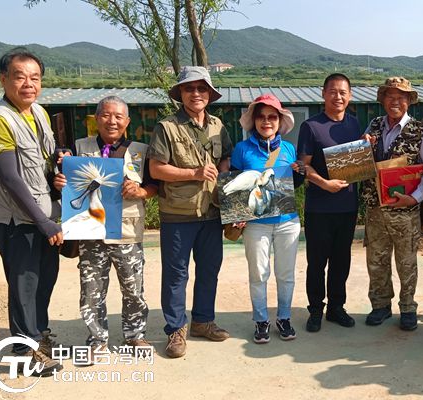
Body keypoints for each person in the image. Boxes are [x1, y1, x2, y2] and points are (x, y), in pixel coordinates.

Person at [53, 96, 157, 360]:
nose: (112, 121)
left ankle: (135, 336)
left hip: (127, 231)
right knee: (92, 289)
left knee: (133, 288)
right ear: (97, 119)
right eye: (106, 115)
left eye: (118, 116)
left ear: (127, 121)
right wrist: (60, 182)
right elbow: (67, 184)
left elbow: (156, 185)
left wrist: (142, 191)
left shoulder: (140, 150)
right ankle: (97, 340)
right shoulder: (78, 148)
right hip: (91, 232)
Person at [0, 47, 63, 375]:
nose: (28, 83)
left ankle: (36, 336)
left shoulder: (39, 112)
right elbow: (11, 180)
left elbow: (46, 156)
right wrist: (43, 222)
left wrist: (60, 161)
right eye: (19, 77)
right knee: (24, 285)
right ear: (3, 80)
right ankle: (26, 351)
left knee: (45, 280)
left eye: (35, 77)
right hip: (19, 222)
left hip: (45, 215)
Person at [147, 66, 233, 358]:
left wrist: (225, 180)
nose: (196, 94)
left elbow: (225, 161)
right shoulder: (167, 127)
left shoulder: (219, 125)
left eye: (201, 88)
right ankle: (175, 330)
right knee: (176, 274)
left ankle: (203, 321)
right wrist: (194, 172)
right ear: (180, 94)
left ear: (209, 93)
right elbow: (156, 168)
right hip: (178, 214)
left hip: (212, 211)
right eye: (189, 88)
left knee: (209, 270)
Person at [361, 76, 423, 331]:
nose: (395, 101)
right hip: (376, 209)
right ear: (383, 99)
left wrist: (416, 197)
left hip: (406, 211)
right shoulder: (373, 126)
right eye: (390, 96)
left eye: (401, 97)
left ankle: (407, 307)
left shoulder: (421, 131)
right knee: (376, 260)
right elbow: (358, 166)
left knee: (407, 262)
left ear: (409, 101)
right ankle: (380, 306)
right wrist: (363, 149)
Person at [232, 93, 305, 343]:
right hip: (256, 224)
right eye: (261, 117)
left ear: (279, 120)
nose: (266, 122)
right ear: (253, 121)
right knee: (258, 274)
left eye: (272, 117)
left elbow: (292, 185)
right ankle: (261, 320)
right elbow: (234, 185)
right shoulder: (241, 150)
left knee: (286, 274)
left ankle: (284, 318)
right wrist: (237, 213)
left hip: (287, 222)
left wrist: (300, 174)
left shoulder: (289, 149)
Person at [297, 74, 362, 332]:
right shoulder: (312, 126)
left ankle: (337, 307)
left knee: (341, 260)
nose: (338, 97)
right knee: (317, 262)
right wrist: (324, 183)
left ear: (350, 96)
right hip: (319, 207)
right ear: (323, 94)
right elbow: (304, 164)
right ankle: (315, 310)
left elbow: (359, 160)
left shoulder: (355, 124)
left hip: (347, 206)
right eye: (333, 91)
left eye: (343, 92)